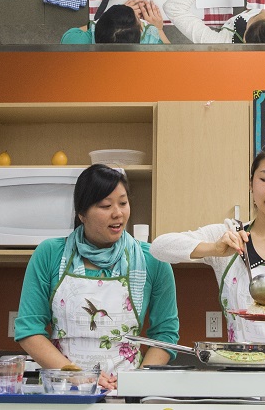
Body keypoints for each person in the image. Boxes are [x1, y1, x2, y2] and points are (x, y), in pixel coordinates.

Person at [150, 142, 265, 391]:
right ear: (250, 184)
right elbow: (159, 247)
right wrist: (214, 248)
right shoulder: (227, 235)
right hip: (242, 379)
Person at [14, 164, 179, 390]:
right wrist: (77, 376)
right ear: (82, 214)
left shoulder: (153, 260)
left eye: (123, 203)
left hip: (126, 394)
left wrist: (137, 382)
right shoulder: (50, 254)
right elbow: (29, 330)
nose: (118, 213)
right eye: (105, 205)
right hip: (63, 390)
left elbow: (165, 334)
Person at [61, 0, 171, 44]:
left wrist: (118, 16)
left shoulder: (73, 42)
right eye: (138, 19)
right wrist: (159, 29)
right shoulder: (153, 44)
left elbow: (83, 29)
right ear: (141, 29)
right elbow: (171, 59)